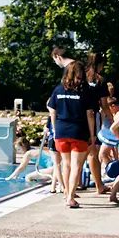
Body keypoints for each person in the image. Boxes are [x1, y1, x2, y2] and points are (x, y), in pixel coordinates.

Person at [48, 61, 96, 209]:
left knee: (66, 164)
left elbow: (52, 111)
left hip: (61, 131)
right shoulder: (84, 91)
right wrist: (92, 134)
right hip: (78, 131)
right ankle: (70, 197)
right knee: (76, 165)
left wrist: (55, 130)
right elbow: (90, 115)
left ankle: (66, 192)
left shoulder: (58, 90)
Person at [85, 53, 112, 194]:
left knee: (78, 151)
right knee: (93, 152)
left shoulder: (80, 77)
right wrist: (112, 119)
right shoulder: (99, 80)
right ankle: (99, 185)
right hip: (93, 115)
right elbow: (104, 105)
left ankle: (76, 184)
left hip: (78, 115)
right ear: (100, 64)